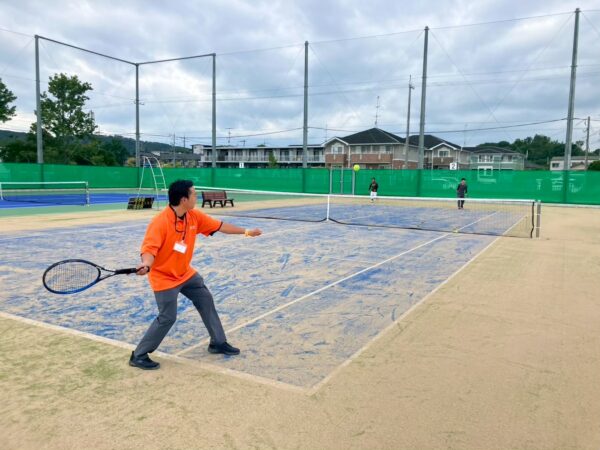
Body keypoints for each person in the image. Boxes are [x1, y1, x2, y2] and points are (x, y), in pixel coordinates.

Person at [129, 180, 262, 370]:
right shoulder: (160, 222)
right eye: (193, 194)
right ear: (184, 200)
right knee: (168, 317)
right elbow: (149, 249)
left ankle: (217, 342)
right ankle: (139, 355)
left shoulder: (193, 216)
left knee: (205, 299)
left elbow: (220, 226)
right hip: (164, 277)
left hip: (185, 274)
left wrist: (247, 232)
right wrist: (146, 264)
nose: (196, 196)